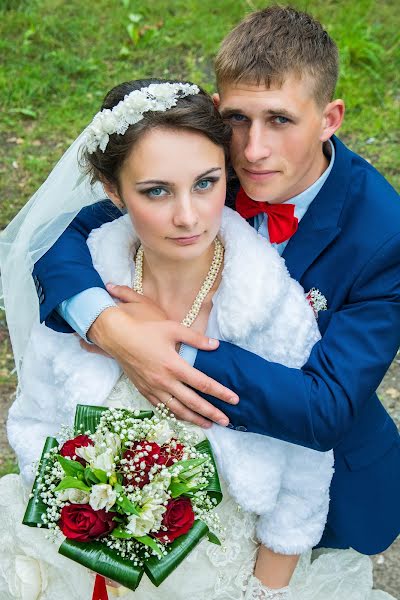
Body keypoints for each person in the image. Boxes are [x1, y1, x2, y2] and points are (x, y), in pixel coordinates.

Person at [27, 5, 400, 561]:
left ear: (329, 118)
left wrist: (169, 346)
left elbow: (326, 407)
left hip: (315, 477)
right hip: (180, 477)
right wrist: (107, 324)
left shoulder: (383, 235)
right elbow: (69, 240)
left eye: (280, 120)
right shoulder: (196, 160)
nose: (252, 151)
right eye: (239, 119)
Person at [0, 79, 364, 600]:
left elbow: (303, 475)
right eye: (156, 191)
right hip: (84, 567)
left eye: (205, 183)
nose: (188, 216)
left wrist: (264, 592)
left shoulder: (271, 309)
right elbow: (35, 421)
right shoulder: (86, 289)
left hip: (222, 577)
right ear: (112, 191)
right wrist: (82, 521)